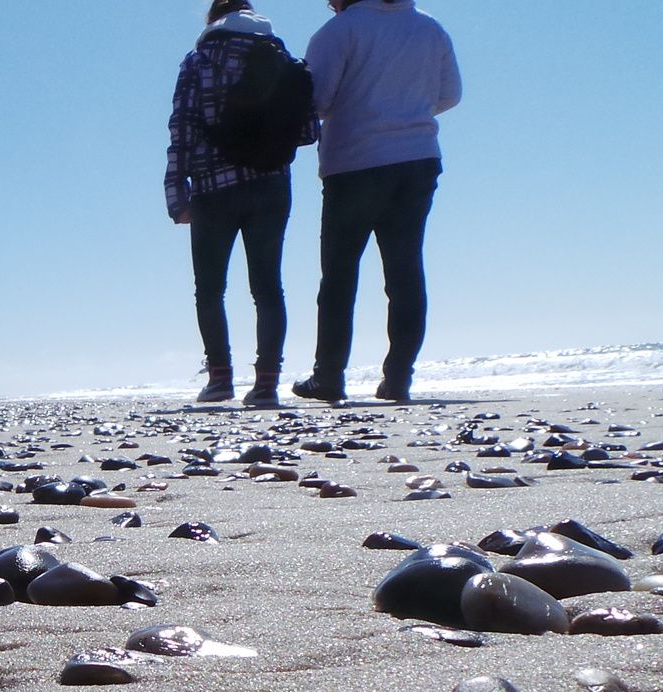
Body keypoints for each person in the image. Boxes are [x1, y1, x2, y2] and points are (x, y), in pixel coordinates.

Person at [292, 0, 461, 405]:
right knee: (404, 271)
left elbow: (315, 100)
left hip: (356, 160)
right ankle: (399, 377)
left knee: (339, 274)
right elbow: (451, 94)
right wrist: (407, 111)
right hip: (418, 155)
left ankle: (329, 375)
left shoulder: (339, 31)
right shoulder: (429, 27)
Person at [166, 0, 317, 408]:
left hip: (213, 188)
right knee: (268, 286)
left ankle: (220, 380)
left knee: (210, 289)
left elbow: (181, 128)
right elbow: (307, 131)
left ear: (213, 18)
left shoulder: (199, 59)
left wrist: (176, 194)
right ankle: (267, 384)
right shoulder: (281, 55)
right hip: (271, 186)